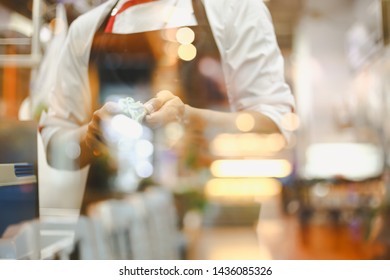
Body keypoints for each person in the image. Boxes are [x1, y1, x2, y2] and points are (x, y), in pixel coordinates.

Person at [39, 0, 295, 172]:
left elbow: (276, 125)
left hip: (223, 228)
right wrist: (91, 137)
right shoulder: (86, 28)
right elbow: (53, 146)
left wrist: (188, 117)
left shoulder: (237, 9)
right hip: (107, 231)